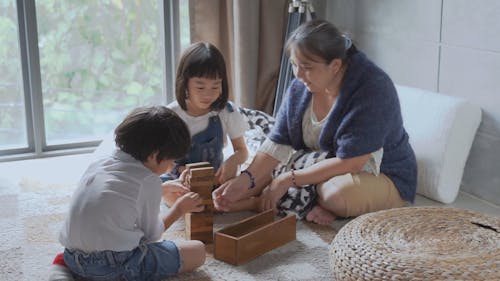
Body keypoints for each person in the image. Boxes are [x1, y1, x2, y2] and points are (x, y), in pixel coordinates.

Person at [213, 19, 417, 225]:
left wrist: (287, 179)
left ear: (335, 65)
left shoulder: (372, 88)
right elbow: (277, 144)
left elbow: (352, 161)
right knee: (262, 173)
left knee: (334, 196)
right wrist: (245, 180)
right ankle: (290, 195)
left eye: (307, 67)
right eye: (294, 64)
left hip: (382, 172)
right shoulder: (300, 87)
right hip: (325, 161)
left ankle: (314, 201)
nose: (298, 74)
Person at [57, 106, 206, 280]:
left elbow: (121, 191)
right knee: (198, 251)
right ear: (154, 155)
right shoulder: (147, 181)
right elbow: (152, 235)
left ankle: (62, 272)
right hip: (111, 265)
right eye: (171, 160)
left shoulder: (101, 163)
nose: (172, 166)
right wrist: (179, 209)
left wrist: (161, 189)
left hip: (72, 257)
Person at [161, 42, 249, 206]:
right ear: (185, 83)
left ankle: (242, 204)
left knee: (247, 183)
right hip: (180, 181)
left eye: (215, 87)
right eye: (200, 87)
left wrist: (232, 161)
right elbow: (162, 162)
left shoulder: (226, 111)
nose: (208, 95)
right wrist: (182, 172)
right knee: (168, 194)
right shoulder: (170, 115)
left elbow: (243, 151)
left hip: (215, 179)